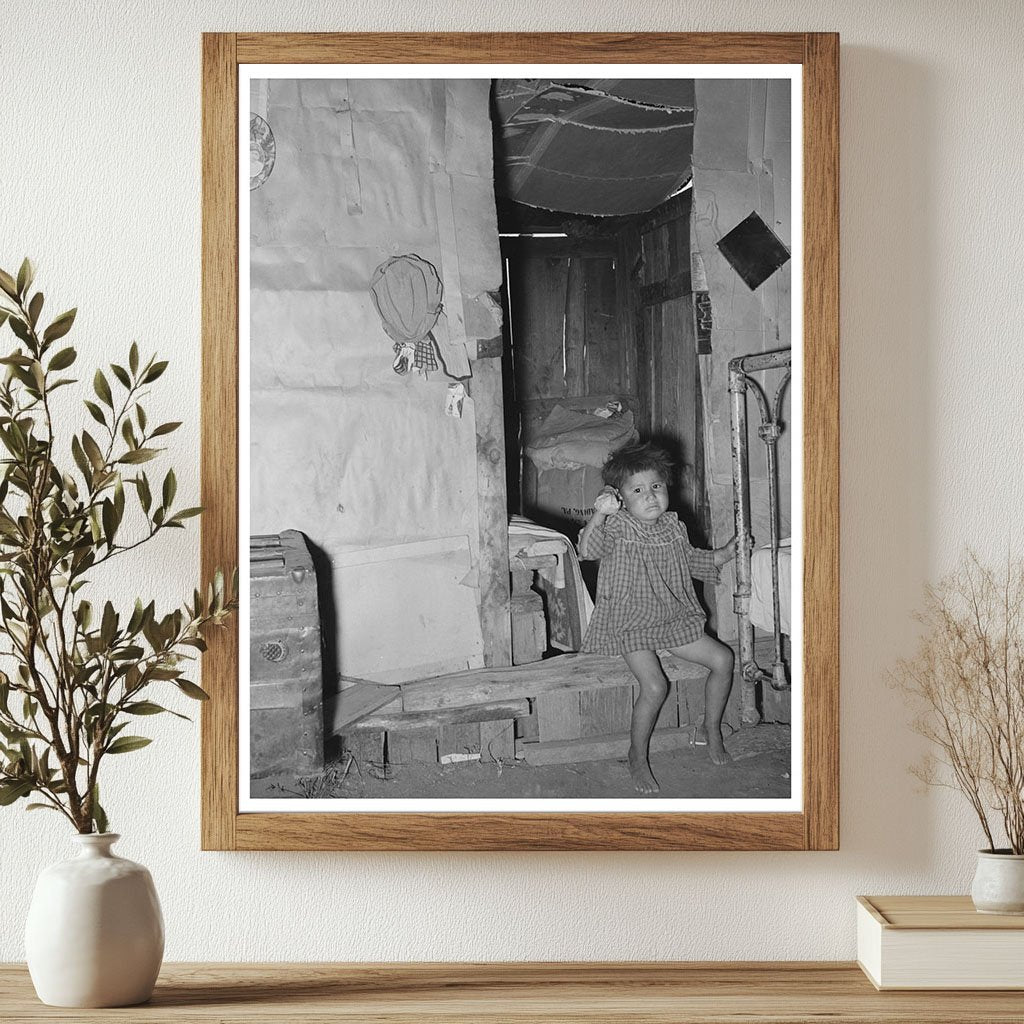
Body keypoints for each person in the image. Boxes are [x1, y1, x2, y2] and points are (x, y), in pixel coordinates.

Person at [578, 441, 738, 794]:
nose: (650, 496)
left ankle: (710, 727)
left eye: (656, 486)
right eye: (637, 490)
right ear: (619, 497)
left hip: (671, 617)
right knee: (655, 686)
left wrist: (724, 554)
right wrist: (600, 514)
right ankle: (637, 755)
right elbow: (588, 550)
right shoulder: (617, 526)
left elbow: (693, 561)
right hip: (631, 620)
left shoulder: (673, 527)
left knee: (723, 659)